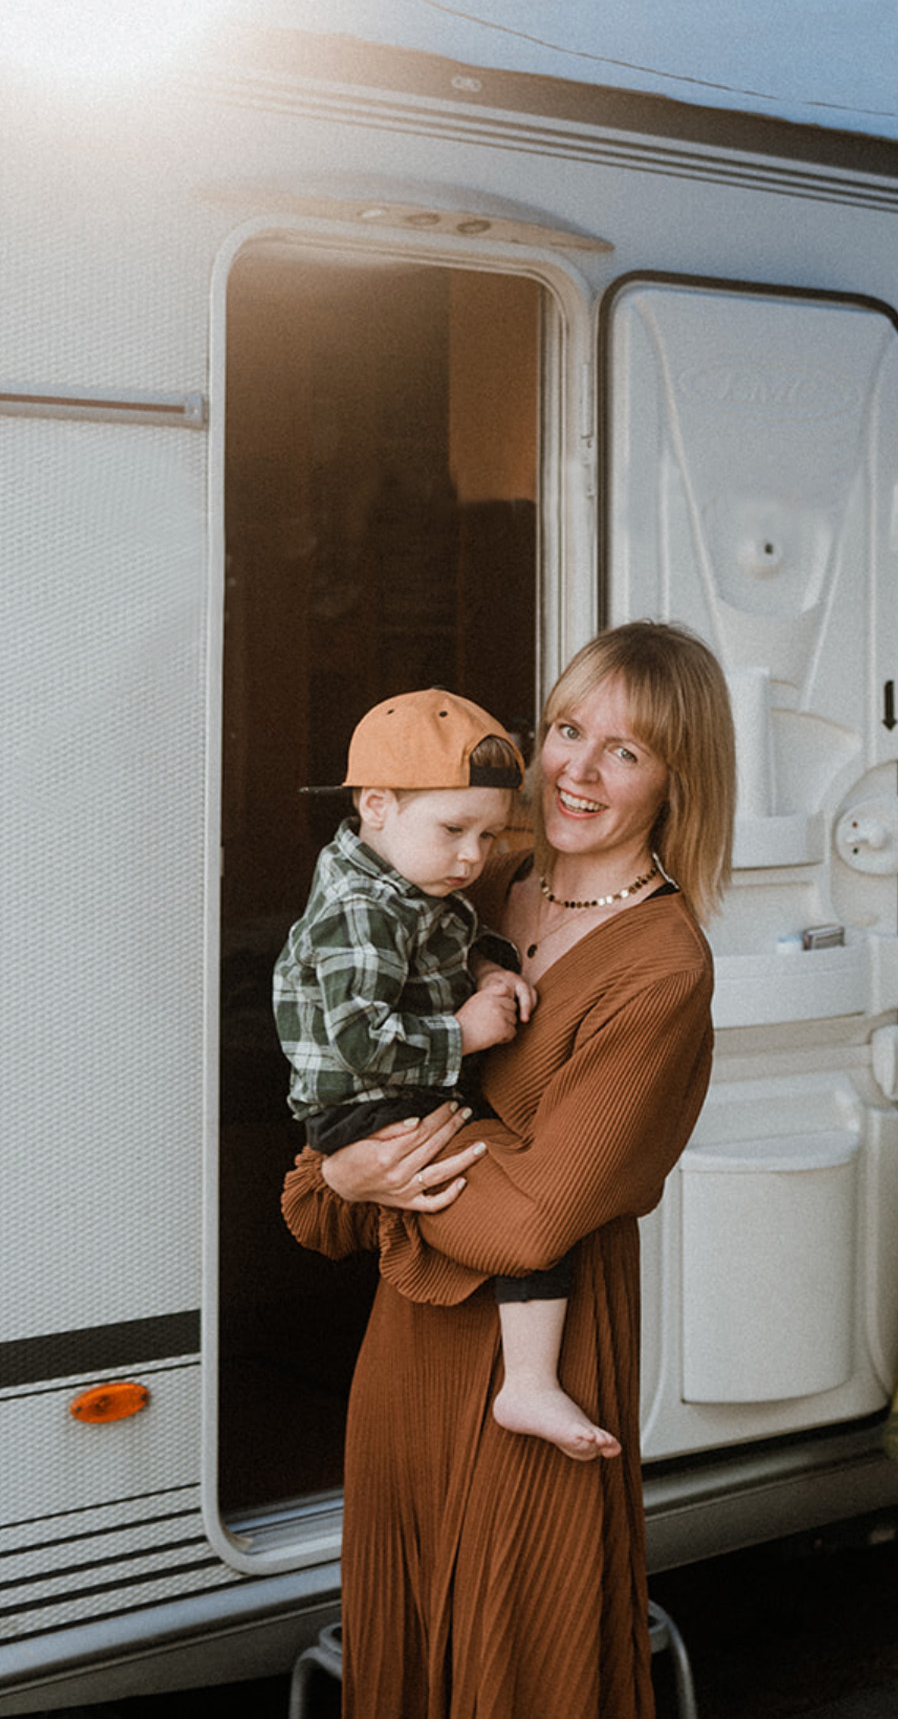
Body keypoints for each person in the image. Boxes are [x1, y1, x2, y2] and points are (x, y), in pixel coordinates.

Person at [281, 621, 736, 1719]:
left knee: (516, 1671)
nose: (575, 768)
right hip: (407, 1360)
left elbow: (534, 1227)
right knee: (405, 1669)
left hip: (539, 1369)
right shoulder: (462, 883)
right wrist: (343, 1180)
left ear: (679, 780)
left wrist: (382, 1176)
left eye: (623, 751)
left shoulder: (662, 970)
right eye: (567, 728)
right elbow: (311, 1189)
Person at [273, 685, 616, 1460]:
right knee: (528, 1209)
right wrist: (462, 1034)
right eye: (455, 829)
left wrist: (494, 971)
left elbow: (462, 936)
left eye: (491, 837)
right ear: (378, 804)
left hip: (408, 1091)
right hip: (366, 1101)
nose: (473, 856)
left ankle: (517, 1372)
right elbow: (360, 1039)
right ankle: (528, 1383)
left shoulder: (420, 881)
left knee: (516, 1187)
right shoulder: (361, 907)